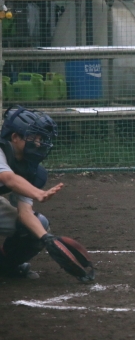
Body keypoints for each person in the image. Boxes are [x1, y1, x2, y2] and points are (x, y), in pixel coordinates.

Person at [0, 106, 62, 279]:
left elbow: (25, 213)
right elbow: (8, 179)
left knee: (39, 225)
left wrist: (47, 238)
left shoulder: (29, 168)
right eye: (33, 137)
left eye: (40, 138)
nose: (38, 143)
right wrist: (38, 193)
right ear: (15, 137)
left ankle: (5, 267)